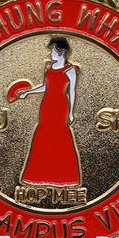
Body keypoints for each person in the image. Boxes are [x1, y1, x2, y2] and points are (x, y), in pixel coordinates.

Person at [18, 37, 81, 187]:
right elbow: (46, 86)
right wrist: (28, 93)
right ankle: (37, 177)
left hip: (60, 106)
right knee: (44, 134)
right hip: (47, 105)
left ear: (61, 52)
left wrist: (71, 112)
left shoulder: (71, 70)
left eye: (53, 51)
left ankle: (65, 178)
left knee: (60, 135)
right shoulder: (48, 67)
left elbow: (72, 92)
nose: (50, 54)